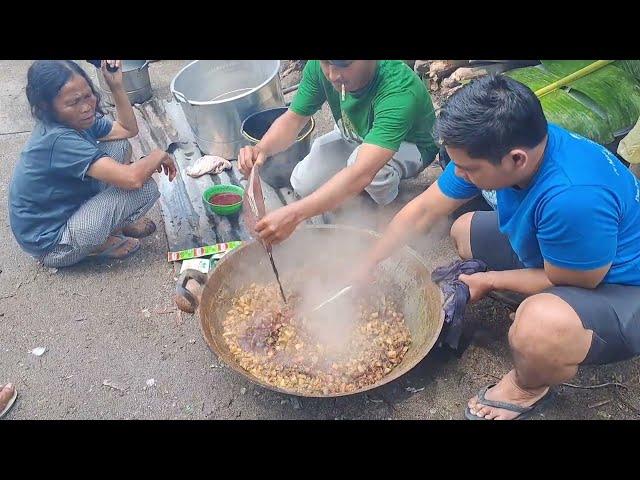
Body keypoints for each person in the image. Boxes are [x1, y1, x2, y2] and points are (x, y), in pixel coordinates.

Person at [355, 74, 640, 420]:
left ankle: (528, 387)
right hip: (571, 253)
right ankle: (536, 301)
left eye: (469, 168)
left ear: (516, 159)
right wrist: (368, 261)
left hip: (620, 288)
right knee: (463, 230)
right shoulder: (512, 143)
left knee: (536, 327)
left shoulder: (573, 198)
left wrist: (490, 281)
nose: (458, 174)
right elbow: (425, 211)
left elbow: (572, 280)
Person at [238, 60, 438, 245]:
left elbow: (361, 173)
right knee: (303, 181)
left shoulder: (399, 89)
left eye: (344, 64)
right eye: (327, 63)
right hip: (356, 135)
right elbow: (293, 119)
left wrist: (294, 214)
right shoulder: (321, 68)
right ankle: (351, 194)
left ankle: (388, 209)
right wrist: (260, 149)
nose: (333, 75)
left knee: (373, 173)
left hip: (408, 147)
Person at [9, 60, 176, 267]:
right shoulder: (57, 140)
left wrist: (115, 86)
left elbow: (126, 129)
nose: (87, 107)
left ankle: (111, 226)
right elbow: (131, 179)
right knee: (143, 188)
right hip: (54, 245)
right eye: (74, 102)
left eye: (88, 95)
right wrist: (158, 155)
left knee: (119, 146)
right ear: (46, 106)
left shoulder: (72, 118)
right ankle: (98, 243)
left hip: (69, 208)